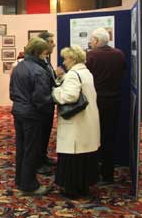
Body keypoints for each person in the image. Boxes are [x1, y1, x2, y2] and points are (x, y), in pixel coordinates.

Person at [52, 46, 100, 198]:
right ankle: (83, 186)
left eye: (66, 58)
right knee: (84, 157)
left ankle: (72, 189)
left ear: (72, 59)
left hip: (77, 123)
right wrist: (61, 79)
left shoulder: (73, 74)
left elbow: (69, 96)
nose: (64, 62)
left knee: (73, 156)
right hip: (87, 121)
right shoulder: (85, 72)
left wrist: (54, 92)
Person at [9, 37, 54, 196]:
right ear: (40, 52)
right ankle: (29, 185)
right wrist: (54, 99)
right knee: (31, 150)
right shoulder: (39, 71)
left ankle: (21, 180)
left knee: (22, 148)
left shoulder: (19, 66)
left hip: (19, 111)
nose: (47, 54)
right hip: (32, 115)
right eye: (45, 52)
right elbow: (41, 98)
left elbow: (12, 92)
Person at [86, 27, 126, 183]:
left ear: (96, 41)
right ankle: (108, 173)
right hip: (114, 101)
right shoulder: (119, 54)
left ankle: (93, 172)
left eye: (91, 40)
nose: (90, 42)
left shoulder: (91, 56)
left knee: (93, 137)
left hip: (95, 102)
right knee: (109, 137)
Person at [36, 31, 58, 171]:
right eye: (51, 42)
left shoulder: (45, 60)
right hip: (41, 107)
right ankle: (38, 163)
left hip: (48, 105)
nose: (54, 44)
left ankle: (43, 158)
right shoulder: (37, 62)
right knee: (39, 136)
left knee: (45, 134)